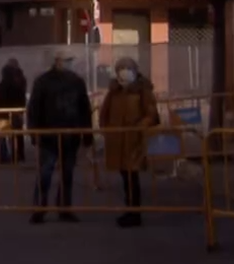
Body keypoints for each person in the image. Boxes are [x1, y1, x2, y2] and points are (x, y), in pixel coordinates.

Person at [26, 53, 93, 224]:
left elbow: (84, 108)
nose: (69, 63)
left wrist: (87, 133)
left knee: (67, 173)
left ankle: (64, 207)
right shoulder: (43, 82)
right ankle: (39, 208)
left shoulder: (77, 82)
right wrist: (34, 132)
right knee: (45, 173)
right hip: (48, 136)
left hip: (71, 135)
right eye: (66, 60)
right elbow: (34, 108)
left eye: (71, 60)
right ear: (57, 61)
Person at [98, 56, 160, 228]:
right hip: (117, 141)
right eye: (121, 68)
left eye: (127, 68)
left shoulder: (143, 90)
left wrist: (140, 127)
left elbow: (151, 114)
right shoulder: (114, 91)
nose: (124, 71)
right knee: (125, 176)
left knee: (132, 176)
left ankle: (134, 212)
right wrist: (106, 129)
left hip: (134, 141)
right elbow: (104, 113)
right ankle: (130, 209)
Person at [0, 58, 28, 164]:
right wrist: (21, 111)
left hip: (2, 114)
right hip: (15, 113)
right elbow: (22, 98)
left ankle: (4, 156)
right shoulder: (18, 84)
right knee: (16, 135)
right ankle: (18, 155)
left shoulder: (0, 86)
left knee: (2, 136)